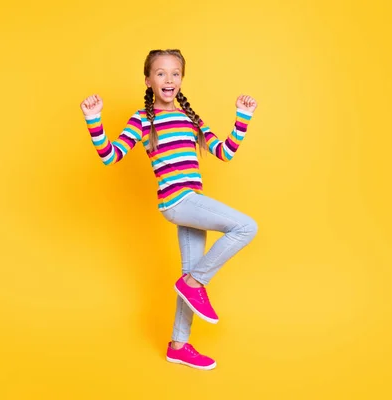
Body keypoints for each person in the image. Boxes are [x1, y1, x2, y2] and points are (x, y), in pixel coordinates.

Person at [80, 49, 258, 370]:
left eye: (175, 73)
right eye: (160, 73)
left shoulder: (190, 118)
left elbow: (224, 152)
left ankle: (179, 344)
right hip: (179, 202)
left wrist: (242, 117)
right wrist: (94, 120)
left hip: (193, 205)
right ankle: (194, 283)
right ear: (148, 80)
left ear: (181, 80)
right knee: (246, 227)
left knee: (189, 274)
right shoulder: (143, 119)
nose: (169, 79)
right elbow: (110, 156)